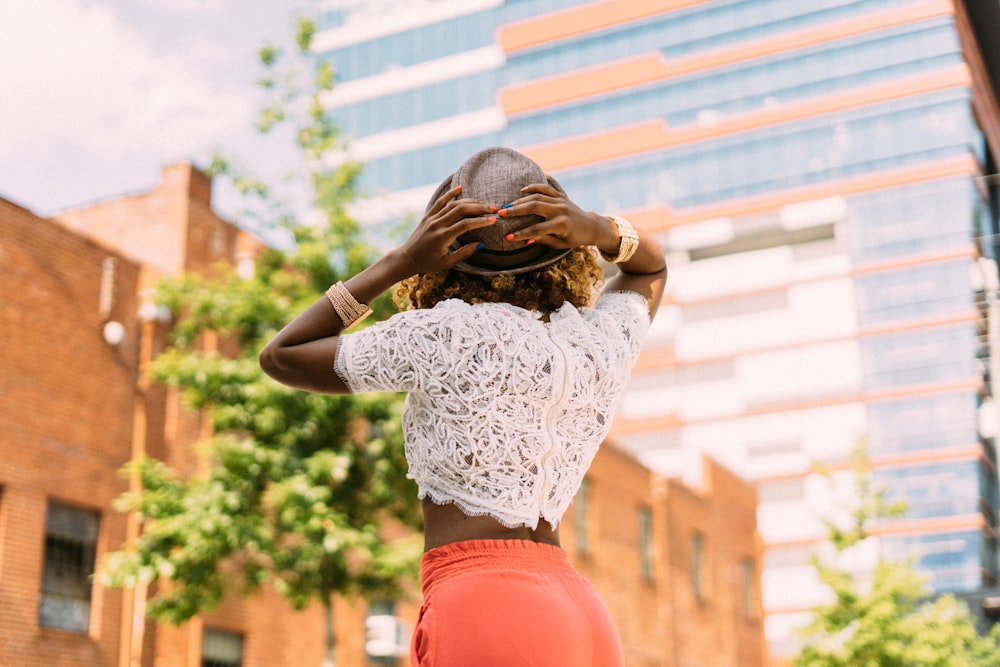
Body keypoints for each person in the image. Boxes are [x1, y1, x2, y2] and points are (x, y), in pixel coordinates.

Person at [260, 147, 667, 666]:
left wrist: (398, 262)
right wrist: (599, 229)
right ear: (564, 249)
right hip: (581, 613)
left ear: (446, 249)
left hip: (484, 604)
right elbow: (649, 268)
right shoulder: (597, 342)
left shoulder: (445, 336)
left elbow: (282, 355)